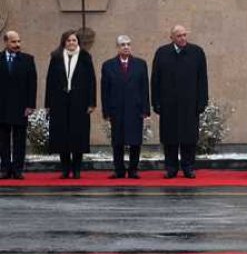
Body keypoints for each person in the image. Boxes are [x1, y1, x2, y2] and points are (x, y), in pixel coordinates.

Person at [151, 25, 208, 179]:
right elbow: (155, 79)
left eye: (184, 35)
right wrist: (155, 102)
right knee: (170, 138)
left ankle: (188, 167)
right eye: (179, 36)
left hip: (190, 104)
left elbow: (202, 79)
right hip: (168, 104)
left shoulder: (197, 52)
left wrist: (202, 101)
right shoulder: (162, 53)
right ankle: (171, 168)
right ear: (172, 38)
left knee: (189, 138)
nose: (183, 38)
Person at [45, 29, 96, 179]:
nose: (71, 43)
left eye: (74, 40)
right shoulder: (56, 57)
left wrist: (91, 102)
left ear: (78, 42)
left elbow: (91, 81)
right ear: (64, 42)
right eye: (68, 40)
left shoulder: (85, 57)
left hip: (79, 102)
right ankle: (65, 169)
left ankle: (77, 169)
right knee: (62, 136)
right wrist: (48, 103)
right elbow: (50, 81)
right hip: (59, 102)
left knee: (77, 135)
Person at [101, 35, 150, 179]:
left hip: (135, 109)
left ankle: (133, 169)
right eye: (123, 45)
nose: (126, 47)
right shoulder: (108, 65)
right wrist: (106, 111)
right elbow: (105, 90)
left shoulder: (140, 64)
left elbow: (144, 88)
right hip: (116, 110)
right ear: (117, 47)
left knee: (135, 141)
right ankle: (119, 170)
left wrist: (145, 109)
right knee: (117, 141)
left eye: (128, 44)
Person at [0, 31, 37, 179]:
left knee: (19, 140)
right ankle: (5, 168)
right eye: (14, 42)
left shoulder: (28, 60)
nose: (17, 45)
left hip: (21, 107)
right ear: (6, 42)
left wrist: (30, 105)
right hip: (1, 107)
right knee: (3, 140)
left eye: (19, 41)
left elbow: (32, 84)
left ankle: (17, 169)